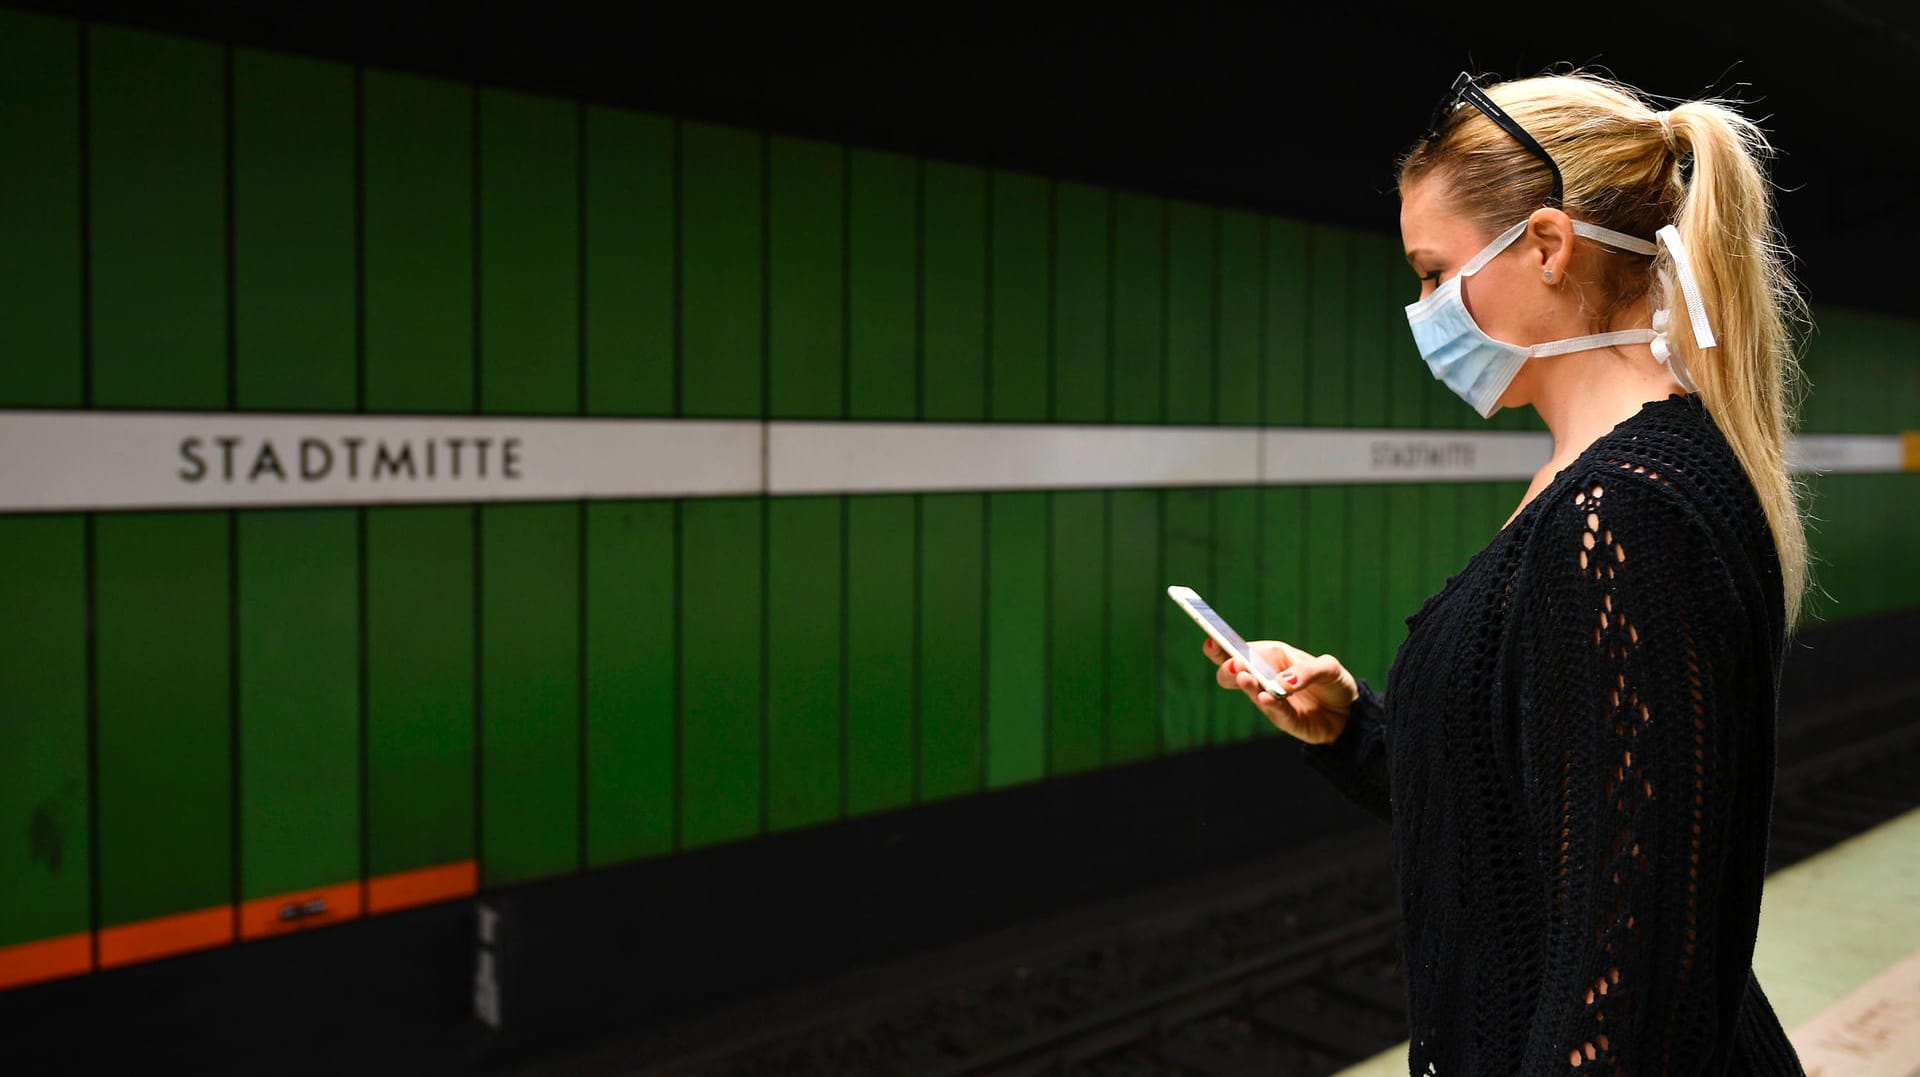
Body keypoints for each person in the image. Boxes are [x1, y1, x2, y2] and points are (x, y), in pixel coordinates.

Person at [1203, 70, 1812, 1074]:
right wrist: (1354, 727)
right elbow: (1533, 809)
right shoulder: (1594, 479)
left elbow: (1624, 976)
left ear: (1544, 245)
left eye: (1435, 272)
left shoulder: (1623, 515)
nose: (1425, 309)